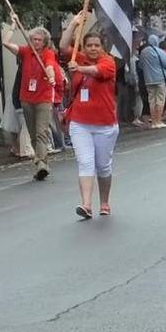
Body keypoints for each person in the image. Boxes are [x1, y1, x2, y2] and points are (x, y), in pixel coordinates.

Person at [61, 15, 119, 219]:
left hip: (105, 124)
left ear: (102, 47)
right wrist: (74, 24)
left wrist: (79, 69)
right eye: (89, 45)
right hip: (80, 122)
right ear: (84, 47)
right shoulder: (78, 56)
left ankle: (104, 201)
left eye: (96, 45)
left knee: (103, 166)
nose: (93, 48)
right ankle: (86, 205)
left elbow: (96, 71)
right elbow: (62, 45)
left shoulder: (108, 62)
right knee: (85, 162)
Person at [3, 26, 58, 180]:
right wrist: (13, 28)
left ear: (45, 41)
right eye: (34, 39)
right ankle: (42, 163)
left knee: (41, 132)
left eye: (39, 40)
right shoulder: (26, 52)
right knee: (33, 133)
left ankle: (40, 163)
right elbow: (6, 43)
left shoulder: (48, 54)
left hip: (43, 99)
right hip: (26, 99)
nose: (36, 42)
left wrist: (51, 76)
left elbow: (49, 67)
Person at [139, 34, 166, 129]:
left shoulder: (143, 52)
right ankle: (158, 120)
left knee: (151, 100)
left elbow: (141, 65)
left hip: (148, 80)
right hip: (159, 79)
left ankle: (153, 121)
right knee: (160, 100)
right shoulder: (158, 51)